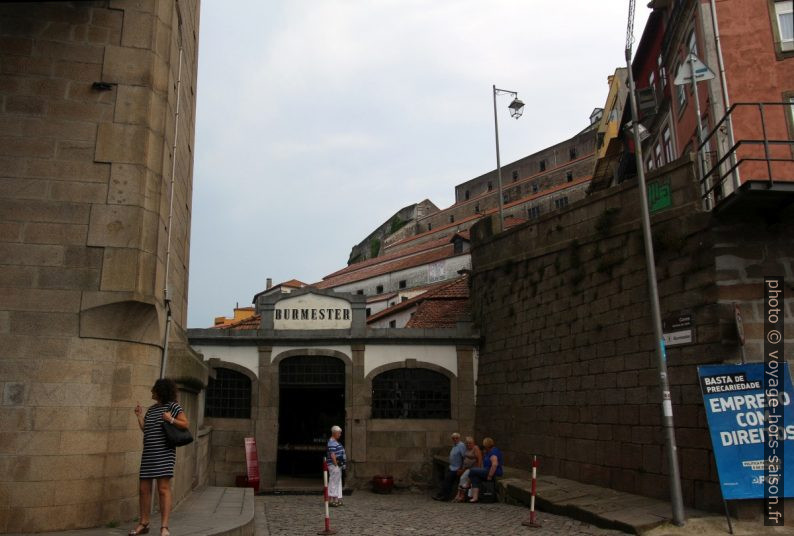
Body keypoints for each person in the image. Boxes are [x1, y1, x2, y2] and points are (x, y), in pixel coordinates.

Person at [129, 379, 189, 536]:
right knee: (143, 489)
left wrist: (170, 419)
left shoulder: (173, 406)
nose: (151, 392)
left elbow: (185, 424)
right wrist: (139, 416)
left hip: (164, 453)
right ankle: (144, 523)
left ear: (161, 391)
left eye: (154, 389)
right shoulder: (152, 410)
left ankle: (164, 527)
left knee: (163, 489)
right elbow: (147, 429)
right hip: (148, 454)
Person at [468, 437, 503, 504]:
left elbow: (494, 465)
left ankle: (467, 484)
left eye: (484, 445)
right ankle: (475, 498)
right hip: (487, 470)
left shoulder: (493, 452)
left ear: (486, 445)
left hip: (493, 472)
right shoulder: (488, 451)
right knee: (475, 476)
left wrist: (490, 476)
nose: (484, 447)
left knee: (472, 470)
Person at [432, 432, 466, 501]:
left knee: (447, 481)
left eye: (456, 438)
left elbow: (463, 457)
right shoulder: (455, 445)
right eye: (453, 438)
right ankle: (441, 495)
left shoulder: (461, 445)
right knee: (446, 481)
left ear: (459, 438)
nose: (455, 439)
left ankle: (444, 496)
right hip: (452, 467)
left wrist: (461, 468)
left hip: (457, 468)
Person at [453, 436, 483, 502]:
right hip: (466, 468)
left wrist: (477, 470)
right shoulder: (466, 449)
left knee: (463, 478)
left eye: (470, 443)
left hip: (473, 468)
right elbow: (464, 459)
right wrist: (461, 468)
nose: (468, 444)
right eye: (467, 443)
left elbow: (480, 459)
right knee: (460, 476)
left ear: (473, 443)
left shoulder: (475, 448)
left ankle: (461, 495)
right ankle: (459, 494)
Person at [327, 425, 346, 507]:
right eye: (339, 433)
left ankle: (337, 499)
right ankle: (331, 500)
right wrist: (336, 465)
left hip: (338, 465)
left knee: (337, 482)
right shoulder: (332, 442)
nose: (340, 434)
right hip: (334, 465)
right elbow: (332, 455)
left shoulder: (335, 442)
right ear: (334, 433)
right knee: (333, 482)